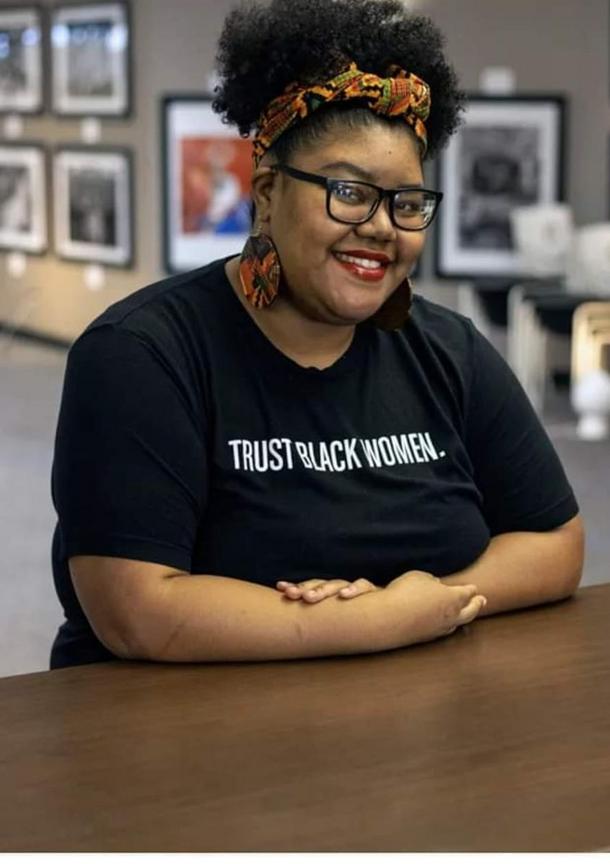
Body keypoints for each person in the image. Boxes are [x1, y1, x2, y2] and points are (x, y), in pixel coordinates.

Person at [49, 0, 584, 669]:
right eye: (350, 192)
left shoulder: (452, 351)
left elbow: (555, 542)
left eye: (406, 203)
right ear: (267, 192)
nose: (383, 227)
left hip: (413, 717)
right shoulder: (140, 354)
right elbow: (136, 612)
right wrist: (380, 618)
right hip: (179, 725)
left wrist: (435, 599)